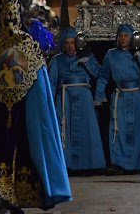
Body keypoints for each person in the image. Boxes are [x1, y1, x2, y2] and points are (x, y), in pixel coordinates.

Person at [0, 0, 71, 210]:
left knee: (11, 152)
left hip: (12, 112)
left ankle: (10, 198)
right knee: (12, 152)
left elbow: (38, 78)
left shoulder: (10, 44)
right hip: (13, 112)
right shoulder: (13, 45)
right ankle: (7, 197)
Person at [95, 23, 140, 175]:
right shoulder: (111, 54)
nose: (123, 38)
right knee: (118, 129)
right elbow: (103, 76)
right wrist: (99, 95)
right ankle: (118, 163)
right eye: (120, 36)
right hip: (120, 97)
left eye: (126, 36)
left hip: (139, 97)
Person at [48, 27, 105, 173]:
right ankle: (66, 164)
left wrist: (87, 62)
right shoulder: (56, 60)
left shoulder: (88, 58)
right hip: (64, 98)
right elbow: (52, 82)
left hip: (84, 97)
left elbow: (99, 75)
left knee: (86, 128)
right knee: (64, 129)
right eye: (67, 43)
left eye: (72, 43)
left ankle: (87, 164)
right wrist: (50, 102)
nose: (70, 46)